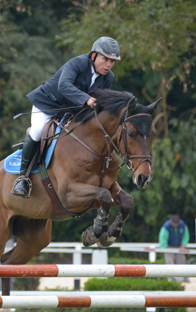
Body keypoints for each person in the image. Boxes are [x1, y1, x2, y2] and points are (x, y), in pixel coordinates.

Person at [11, 37, 121, 198]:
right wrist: (86, 99)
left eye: (112, 61)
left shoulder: (108, 77)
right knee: (36, 131)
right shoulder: (77, 63)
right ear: (93, 56)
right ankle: (22, 178)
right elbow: (64, 85)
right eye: (105, 59)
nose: (109, 65)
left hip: (70, 112)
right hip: (47, 104)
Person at [159, 215, 190, 282]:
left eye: (177, 224)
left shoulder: (182, 225)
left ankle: (185, 277)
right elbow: (163, 237)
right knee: (170, 263)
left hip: (179, 246)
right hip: (169, 247)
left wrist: (183, 245)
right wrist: (165, 247)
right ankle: (172, 277)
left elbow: (186, 235)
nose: (175, 225)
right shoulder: (166, 226)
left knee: (182, 261)